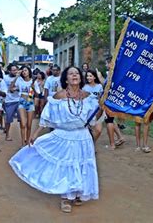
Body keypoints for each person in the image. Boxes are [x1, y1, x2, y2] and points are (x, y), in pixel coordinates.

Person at [9, 66, 99, 213]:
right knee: (66, 165)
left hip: (83, 136)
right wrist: (36, 133)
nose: (74, 75)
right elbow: (47, 116)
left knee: (82, 164)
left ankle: (77, 192)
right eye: (71, 74)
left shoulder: (89, 97)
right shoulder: (59, 96)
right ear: (65, 79)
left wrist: (102, 108)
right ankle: (65, 197)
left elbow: (93, 118)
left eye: (77, 73)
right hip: (64, 135)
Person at [10, 66, 35, 146]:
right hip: (21, 101)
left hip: (30, 101)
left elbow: (37, 93)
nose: (24, 72)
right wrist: (17, 76)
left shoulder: (33, 81)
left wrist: (33, 88)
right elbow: (11, 88)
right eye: (23, 71)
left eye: (26, 70)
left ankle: (27, 141)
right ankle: (22, 143)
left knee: (29, 125)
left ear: (29, 72)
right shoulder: (20, 80)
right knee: (23, 124)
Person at [83, 69, 104, 144]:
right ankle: (89, 148)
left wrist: (100, 109)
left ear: (94, 77)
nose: (88, 77)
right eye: (87, 76)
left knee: (98, 130)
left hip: (97, 111)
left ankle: (91, 144)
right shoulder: (84, 87)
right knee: (87, 131)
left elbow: (100, 99)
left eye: (90, 76)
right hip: (87, 111)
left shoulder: (99, 86)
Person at [3, 64, 21, 141]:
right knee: (8, 120)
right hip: (9, 101)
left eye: (16, 70)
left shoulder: (21, 78)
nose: (15, 71)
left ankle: (23, 136)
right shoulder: (5, 78)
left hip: (19, 101)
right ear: (9, 71)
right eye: (13, 70)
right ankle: (7, 135)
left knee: (22, 120)